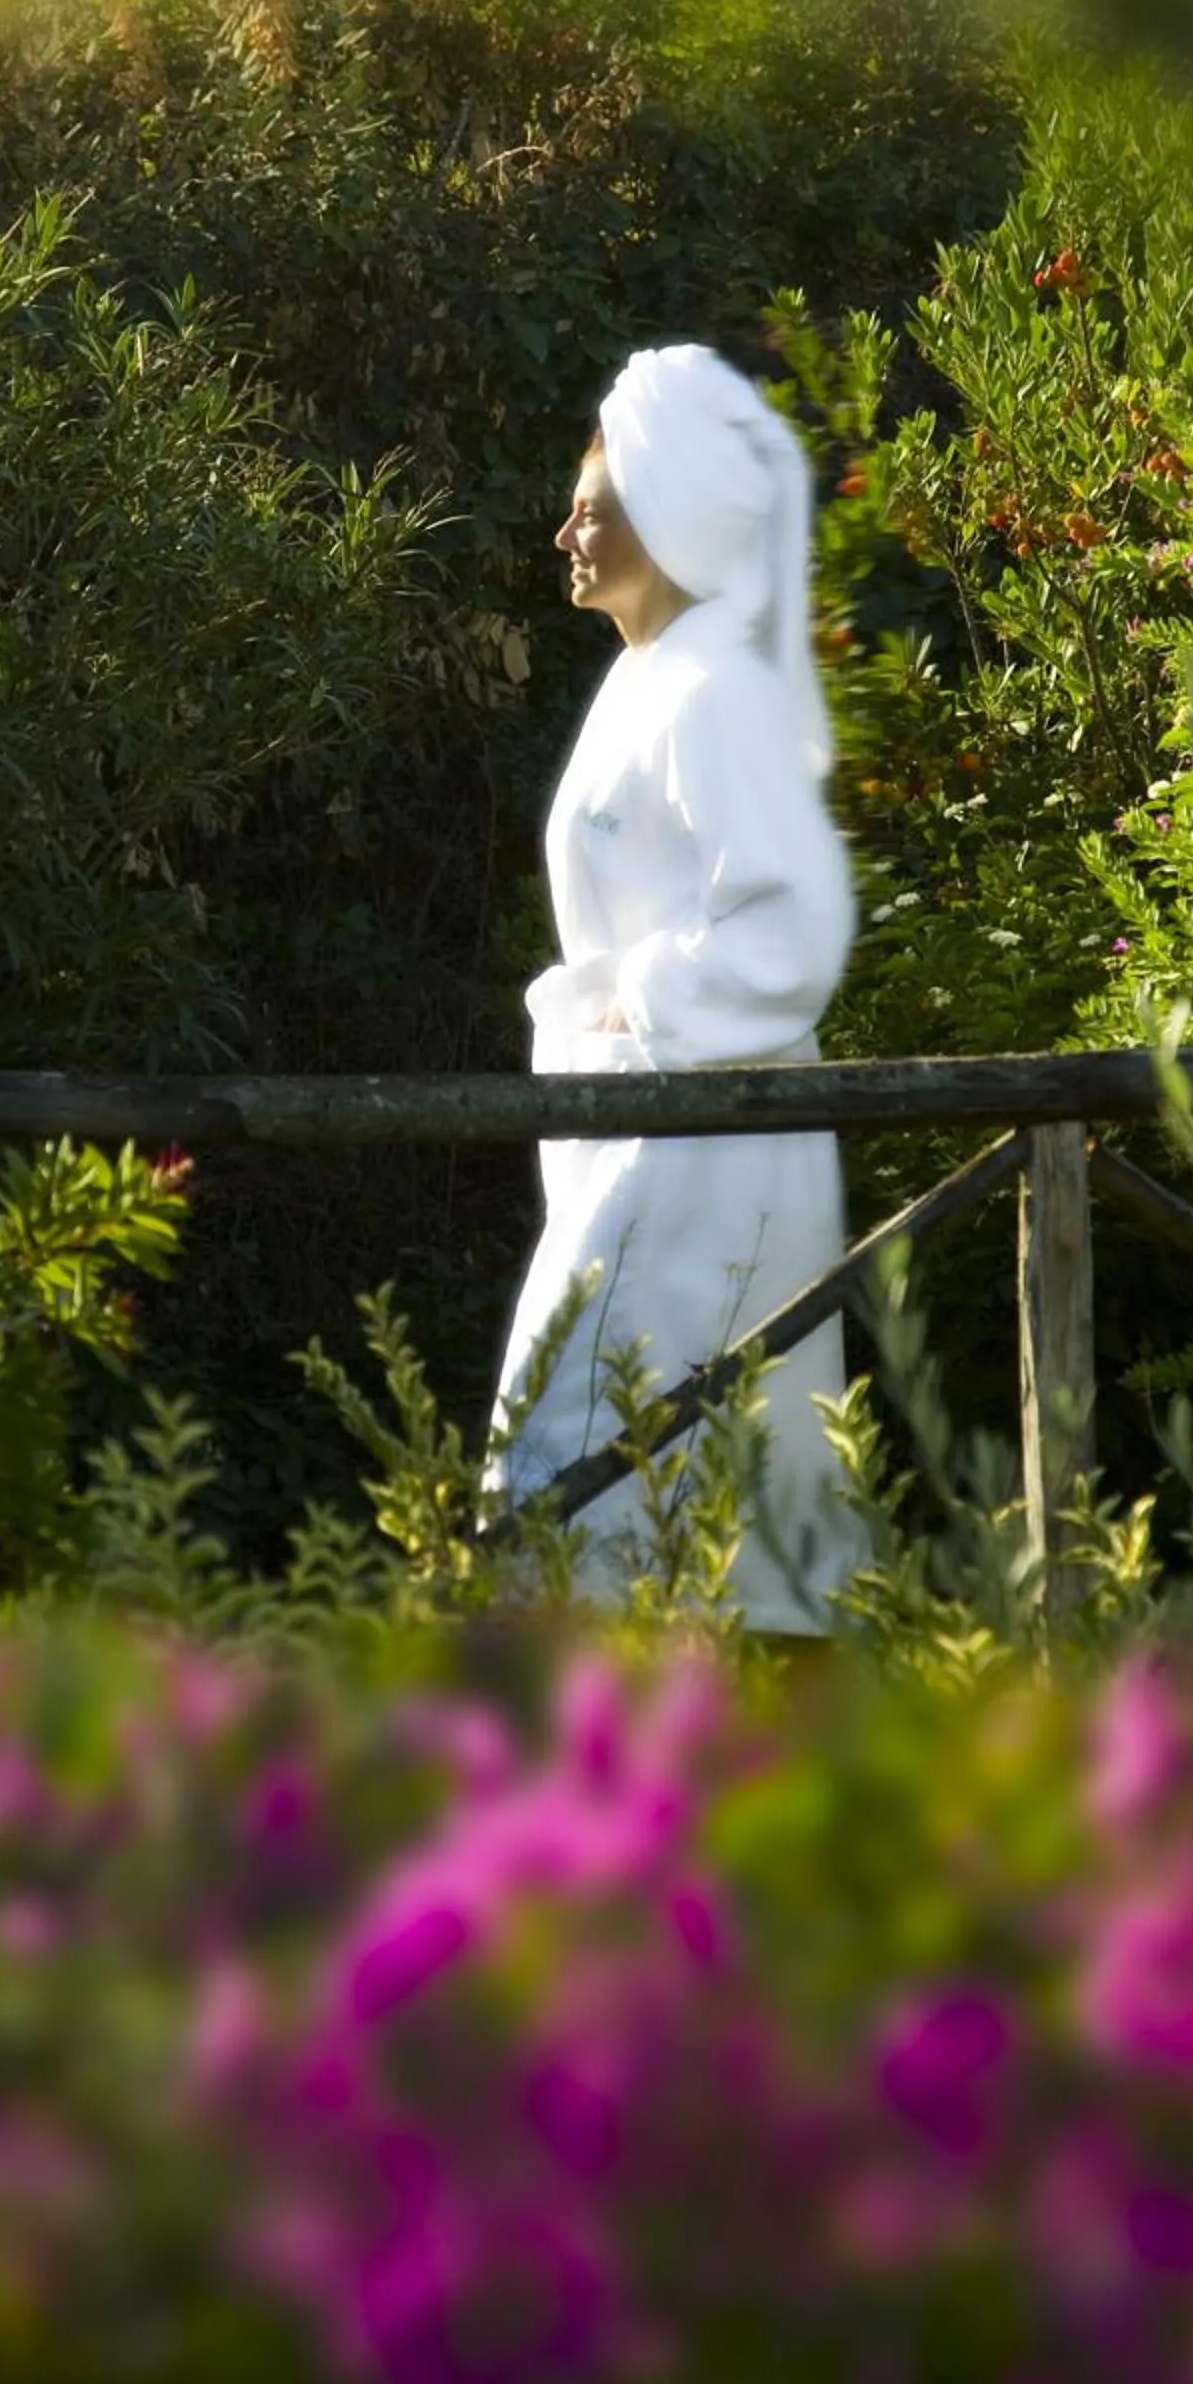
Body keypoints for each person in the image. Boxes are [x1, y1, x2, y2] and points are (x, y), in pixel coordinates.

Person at [485, 342, 868, 1635]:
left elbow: (789, 929)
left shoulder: (712, 687)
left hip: (700, 1142)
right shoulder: (652, 677)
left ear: (665, 515)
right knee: (644, 1480)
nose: (564, 532)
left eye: (590, 508)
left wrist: (630, 997)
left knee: (572, 1464)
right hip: (644, 1129)